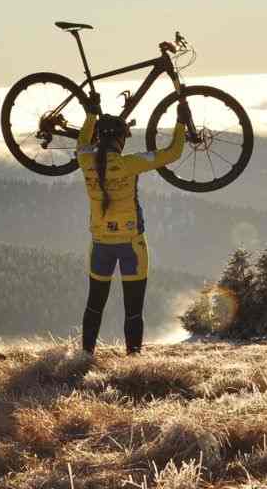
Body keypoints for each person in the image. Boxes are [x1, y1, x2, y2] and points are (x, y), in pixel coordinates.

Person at [75, 96, 190, 356]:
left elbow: (82, 141)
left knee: (94, 305)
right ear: (120, 141)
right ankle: (133, 361)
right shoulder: (130, 164)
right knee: (133, 310)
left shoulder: (84, 159)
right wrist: (180, 122)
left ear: (98, 138)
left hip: (100, 245)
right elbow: (173, 152)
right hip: (132, 245)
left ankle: (84, 358)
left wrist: (91, 114)